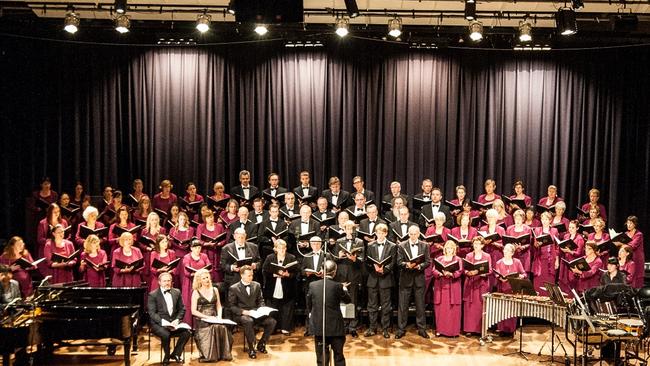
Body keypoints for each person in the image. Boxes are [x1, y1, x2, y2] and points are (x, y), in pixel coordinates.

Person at [306, 260, 351, 366]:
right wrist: (344, 289)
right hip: (335, 327)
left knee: (322, 358)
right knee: (339, 357)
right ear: (335, 271)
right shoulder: (338, 286)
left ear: (322, 271)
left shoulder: (313, 285)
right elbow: (348, 301)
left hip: (319, 327)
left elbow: (309, 305)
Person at [228, 265, 277, 359]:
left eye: (252, 275)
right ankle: (251, 348)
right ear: (242, 275)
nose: (251, 277)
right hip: (242, 315)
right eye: (249, 275)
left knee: (272, 322)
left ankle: (262, 343)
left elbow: (260, 300)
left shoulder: (256, 285)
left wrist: (262, 309)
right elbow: (232, 306)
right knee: (248, 321)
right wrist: (243, 311)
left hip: (255, 313)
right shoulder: (234, 288)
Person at [148, 272, 191, 366]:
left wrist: (177, 320)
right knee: (165, 334)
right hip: (159, 324)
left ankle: (176, 353)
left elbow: (182, 309)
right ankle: (166, 356)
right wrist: (163, 322)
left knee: (187, 333)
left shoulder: (177, 292)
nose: (167, 283)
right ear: (159, 282)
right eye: (164, 281)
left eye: (169, 280)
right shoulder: (153, 295)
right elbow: (152, 313)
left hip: (174, 323)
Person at [396, 225, 431, 339]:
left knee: (420, 305)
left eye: (415, 233)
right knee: (403, 305)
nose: (413, 236)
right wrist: (407, 265)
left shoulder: (425, 245)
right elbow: (399, 262)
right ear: (408, 234)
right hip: (406, 279)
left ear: (419, 234)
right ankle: (401, 329)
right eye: (411, 234)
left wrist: (420, 266)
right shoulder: (401, 245)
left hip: (419, 279)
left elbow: (428, 261)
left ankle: (422, 329)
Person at [191, 268, 233, 362]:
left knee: (222, 327)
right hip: (202, 319)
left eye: (207, 277)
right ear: (199, 280)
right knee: (212, 328)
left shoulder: (215, 289)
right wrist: (206, 317)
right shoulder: (196, 292)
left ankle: (223, 354)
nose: (206, 280)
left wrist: (219, 317)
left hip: (215, 317)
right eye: (204, 278)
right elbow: (193, 311)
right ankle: (211, 355)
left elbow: (219, 306)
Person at [364, 223, 396, 338]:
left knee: (385, 306)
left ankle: (385, 329)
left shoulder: (392, 246)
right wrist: (374, 267)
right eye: (378, 233)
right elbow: (367, 261)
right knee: (372, 305)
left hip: (385, 279)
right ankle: (372, 328)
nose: (380, 235)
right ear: (375, 233)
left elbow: (393, 262)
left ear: (386, 233)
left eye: (382, 233)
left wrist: (384, 269)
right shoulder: (370, 245)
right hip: (373, 278)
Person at [333, 220, 364, 337]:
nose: (350, 231)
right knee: (342, 300)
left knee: (353, 300)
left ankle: (352, 326)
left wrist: (354, 259)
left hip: (353, 274)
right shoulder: (339, 241)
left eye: (352, 229)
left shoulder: (359, 242)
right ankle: (344, 325)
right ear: (345, 230)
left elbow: (362, 260)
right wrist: (339, 256)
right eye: (348, 228)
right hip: (341, 274)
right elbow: (334, 258)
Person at [261, 239, 299, 335]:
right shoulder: (270, 258)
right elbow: (264, 271)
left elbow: (296, 273)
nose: (282, 250)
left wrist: (288, 275)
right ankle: (273, 328)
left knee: (287, 308)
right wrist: (274, 275)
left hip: (287, 286)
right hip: (273, 285)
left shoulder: (291, 257)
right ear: (275, 249)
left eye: (283, 248)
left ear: (286, 248)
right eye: (279, 248)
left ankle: (285, 328)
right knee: (273, 307)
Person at [300, 236, 332, 336]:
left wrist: (324, 272)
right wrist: (307, 273)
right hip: (310, 284)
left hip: (323, 283)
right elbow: (302, 270)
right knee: (309, 306)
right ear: (310, 245)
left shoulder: (327, 255)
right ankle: (309, 329)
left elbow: (332, 268)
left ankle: (324, 329)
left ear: (321, 244)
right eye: (313, 243)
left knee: (323, 305)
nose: (316, 245)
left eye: (318, 243)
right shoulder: (307, 256)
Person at [494, 243, 527, 335]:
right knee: (502, 309)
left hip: (513, 289)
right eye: (504, 250)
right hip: (503, 289)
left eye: (508, 250)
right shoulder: (499, 262)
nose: (505, 251)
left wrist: (520, 276)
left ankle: (511, 330)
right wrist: (500, 278)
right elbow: (497, 274)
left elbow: (524, 274)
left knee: (512, 309)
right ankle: (502, 329)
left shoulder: (517, 262)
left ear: (512, 253)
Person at [432, 240, 463, 337]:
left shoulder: (458, 259)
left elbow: (460, 271)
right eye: (447, 248)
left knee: (453, 308)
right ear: (445, 248)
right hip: (441, 286)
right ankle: (440, 330)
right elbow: (434, 270)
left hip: (453, 286)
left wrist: (452, 274)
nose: (449, 250)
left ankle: (453, 332)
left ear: (454, 249)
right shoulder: (440, 258)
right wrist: (440, 273)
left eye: (451, 248)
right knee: (441, 309)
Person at [463, 237, 492, 335]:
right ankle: (469, 329)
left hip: (481, 284)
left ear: (482, 245)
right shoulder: (468, 255)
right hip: (471, 283)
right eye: (475, 243)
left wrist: (484, 273)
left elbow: (490, 270)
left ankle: (480, 329)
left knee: (480, 306)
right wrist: (469, 272)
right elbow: (465, 269)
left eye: (478, 244)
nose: (476, 245)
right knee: (469, 306)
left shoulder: (487, 256)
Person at [181, 240, 211, 325]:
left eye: (199, 247)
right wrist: (197, 274)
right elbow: (186, 272)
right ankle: (189, 325)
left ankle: (201, 323)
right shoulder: (187, 257)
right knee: (189, 303)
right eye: (195, 248)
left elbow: (210, 267)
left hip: (202, 283)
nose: (198, 249)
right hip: (190, 283)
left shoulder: (204, 256)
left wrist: (202, 273)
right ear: (191, 248)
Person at [531, 211, 559, 295]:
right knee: (538, 281)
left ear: (550, 220)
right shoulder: (537, 230)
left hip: (550, 260)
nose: (544, 221)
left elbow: (557, 247)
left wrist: (557, 260)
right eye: (542, 219)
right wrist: (536, 244)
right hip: (539, 259)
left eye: (546, 219)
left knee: (549, 281)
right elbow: (534, 245)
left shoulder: (554, 230)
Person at [196, 210, 227, 283]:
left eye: (212, 217)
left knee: (217, 277)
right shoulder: (201, 227)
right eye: (208, 217)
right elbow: (198, 240)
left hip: (217, 253)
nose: (211, 219)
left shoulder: (219, 226)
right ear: (205, 219)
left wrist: (219, 244)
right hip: (206, 252)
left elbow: (224, 239)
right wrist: (207, 244)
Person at [615, 216, 644, 288]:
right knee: (625, 275)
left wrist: (621, 244)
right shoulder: (625, 234)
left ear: (635, 224)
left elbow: (633, 245)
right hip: (626, 257)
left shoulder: (639, 234)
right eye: (627, 223)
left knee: (634, 277)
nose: (629, 225)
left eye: (631, 223)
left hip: (636, 258)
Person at [558, 220, 585, 294]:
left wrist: (569, 251)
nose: (570, 229)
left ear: (577, 228)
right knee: (563, 281)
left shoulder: (579, 238)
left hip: (573, 262)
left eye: (573, 227)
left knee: (571, 282)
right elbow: (562, 246)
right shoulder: (566, 236)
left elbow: (579, 253)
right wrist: (562, 248)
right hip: (565, 261)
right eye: (569, 227)